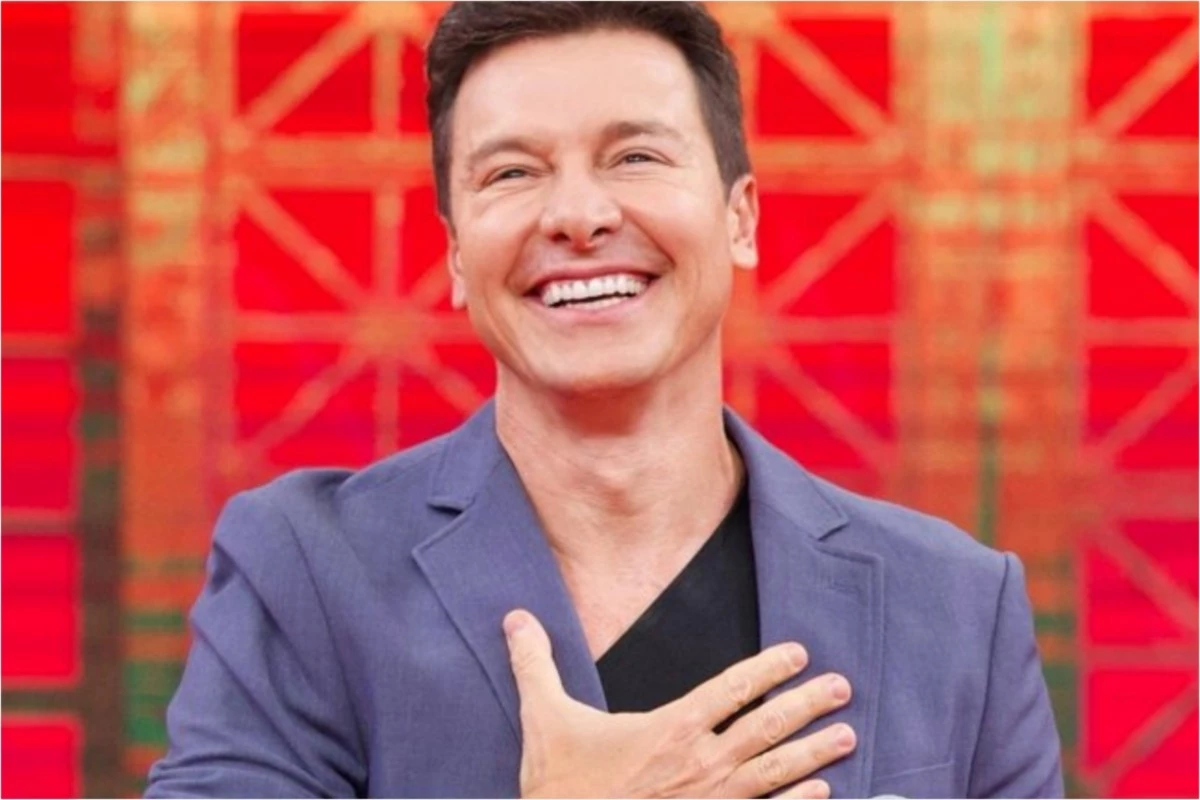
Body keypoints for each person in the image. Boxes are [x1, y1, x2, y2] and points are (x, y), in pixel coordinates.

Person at [145, 3, 1063, 797]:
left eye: (635, 156)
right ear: (457, 254)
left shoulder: (955, 607)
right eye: (512, 173)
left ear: (740, 218)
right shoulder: (307, 572)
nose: (578, 216)